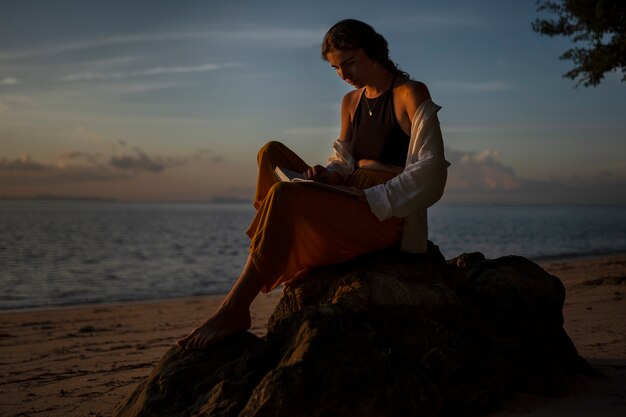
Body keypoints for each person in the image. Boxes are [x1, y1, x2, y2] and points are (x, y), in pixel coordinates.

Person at [177, 19, 450, 351]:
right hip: (348, 192)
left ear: (373, 52)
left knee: (284, 194)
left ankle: (234, 309)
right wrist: (329, 175)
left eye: (349, 62)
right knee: (270, 153)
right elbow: (345, 161)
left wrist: (369, 197)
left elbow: (431, 171)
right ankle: (289, 249)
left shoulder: (409, 93)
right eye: (335, 67)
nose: (343, 74)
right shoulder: (351, 102)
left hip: (385, 209)